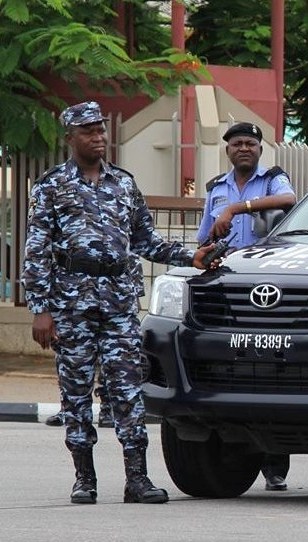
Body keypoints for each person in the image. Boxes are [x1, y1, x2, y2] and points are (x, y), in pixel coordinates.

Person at [22, 101, 218, 505]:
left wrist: (191, 257)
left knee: (128, 390)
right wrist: (40, 308)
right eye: (88, 131)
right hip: (70, 303)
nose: (98, 138)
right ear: (70, 137)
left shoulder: (124, 184)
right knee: (75, 392)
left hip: (118, 303)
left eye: (101, 130)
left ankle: (138, 479)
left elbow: (146, 241)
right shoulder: (51, 185)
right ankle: (84, 479)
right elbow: (37, 249)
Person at [196, 121, 296, 491]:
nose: (244, 149)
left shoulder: (272, 179)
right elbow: (205, 235)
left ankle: (275, 464)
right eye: (237, 143)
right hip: (226, 283)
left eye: (251, 143)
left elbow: (289, 202)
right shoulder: (215, 189)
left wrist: (239, 207)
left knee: (272, 370)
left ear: (259, 149)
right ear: (227, 150)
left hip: (264, 285)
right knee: (232, 368)